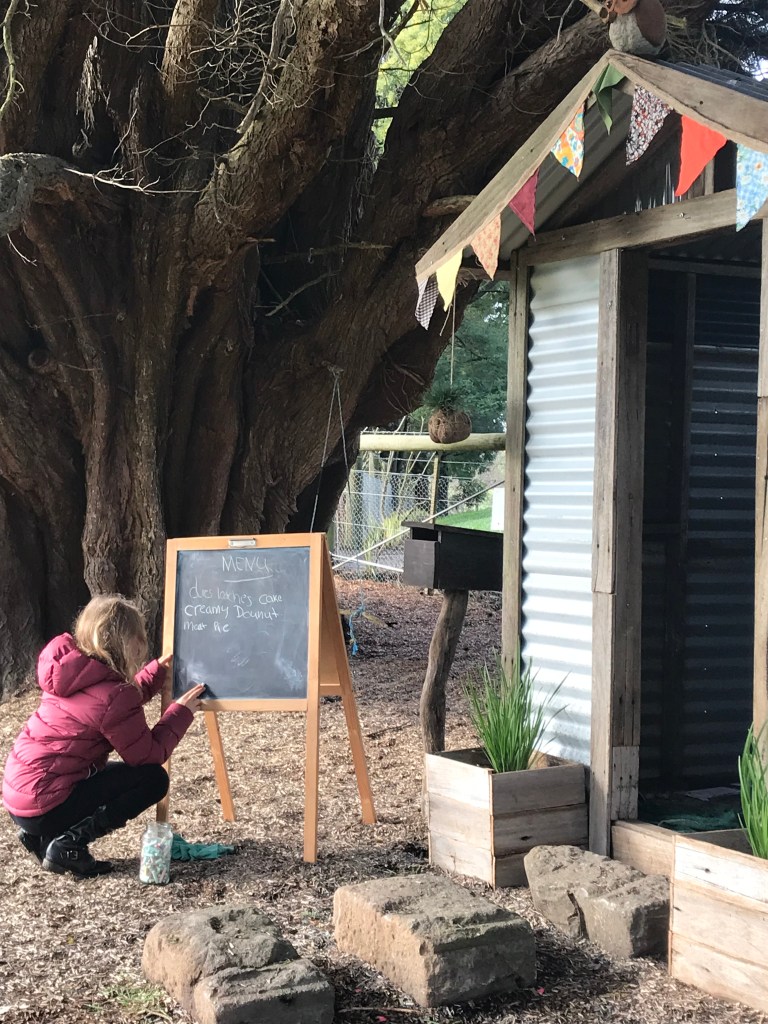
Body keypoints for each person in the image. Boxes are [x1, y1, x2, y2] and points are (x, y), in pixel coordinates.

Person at [2, 594, 204, 878]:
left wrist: (156, 672)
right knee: (152, 779)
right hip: (46, 803)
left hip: (21, 798)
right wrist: (180, 712)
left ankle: (40, 836)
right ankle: (68, 845)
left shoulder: (72, 671)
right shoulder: (113, 695)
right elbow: (147, 755)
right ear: (129, 643)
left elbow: (113, 703)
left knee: (114, 776)